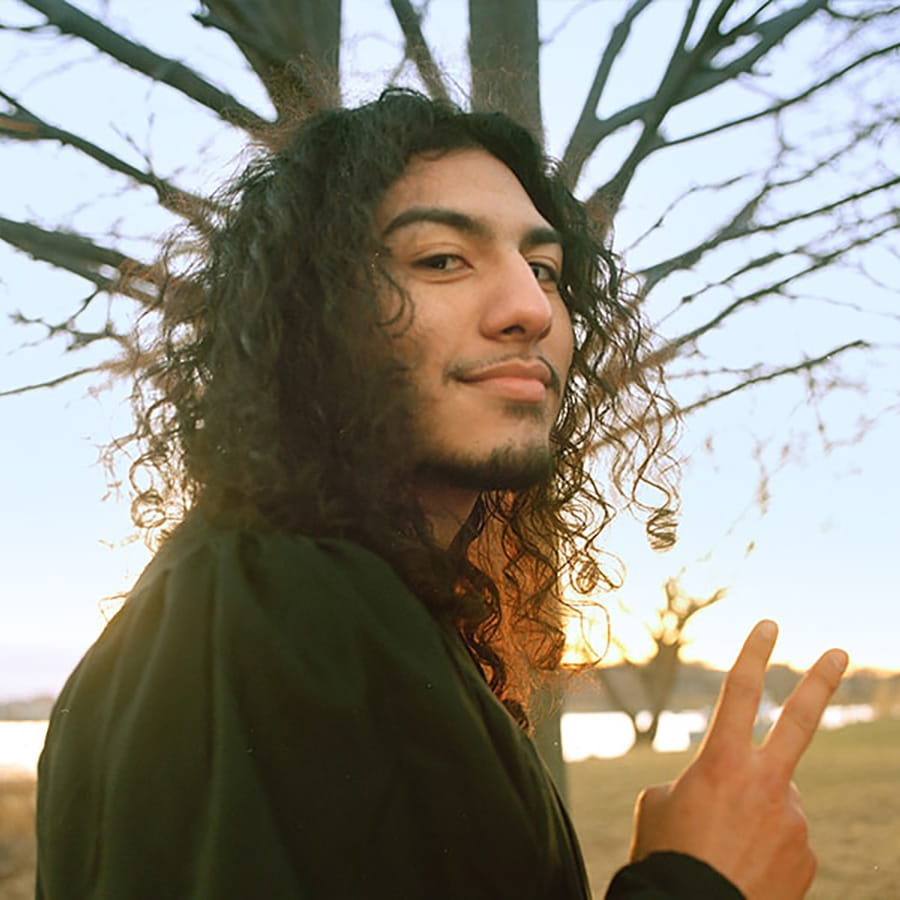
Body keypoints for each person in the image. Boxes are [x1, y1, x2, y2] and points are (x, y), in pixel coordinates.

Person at [35, 89, 847, 899]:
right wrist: (700, 882)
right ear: (313, 315)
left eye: (545, 270)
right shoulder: (272, 608)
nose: (530, 308)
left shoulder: (356, 608)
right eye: (440, 260)